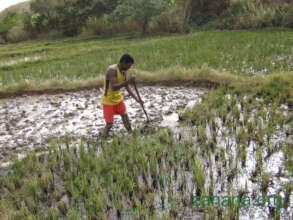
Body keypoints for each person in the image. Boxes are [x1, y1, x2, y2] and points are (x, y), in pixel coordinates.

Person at [101, 54, 143, 137]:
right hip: (108, 100)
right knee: (109, 124)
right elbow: (114, 87)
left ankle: (131, 134)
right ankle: (103, 139)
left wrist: (137, 99)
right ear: (124, 62)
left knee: (125, 116)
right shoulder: (112, 70)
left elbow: (127, 87)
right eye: (129, 65)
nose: (129, 68)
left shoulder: (123, 72)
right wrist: (128, 81)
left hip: (118, 98)